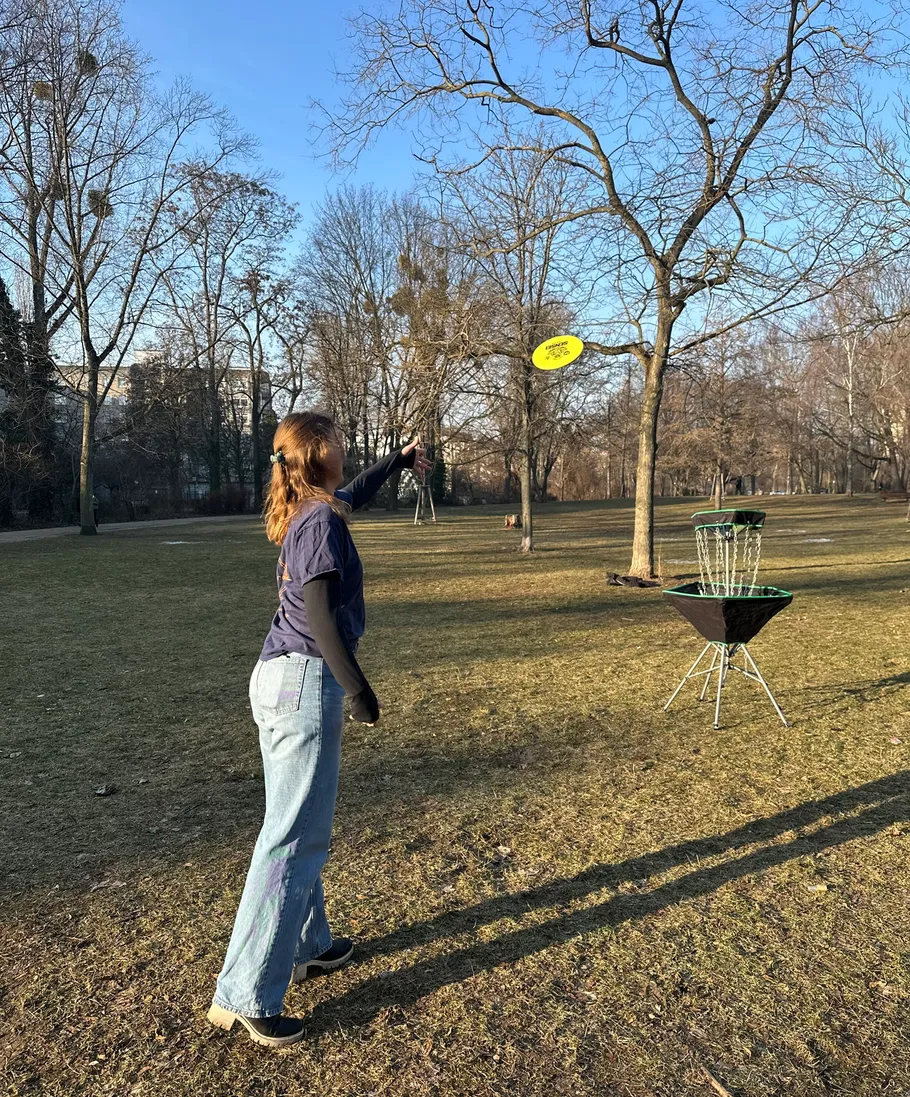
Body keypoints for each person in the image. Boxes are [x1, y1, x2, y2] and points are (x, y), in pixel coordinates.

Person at [207, 411, 430, 1048]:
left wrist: (397, 458)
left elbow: (353, 492)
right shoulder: (321, 521)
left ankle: (310, 944)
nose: (342, 443)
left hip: (281, 679)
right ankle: (247, 993)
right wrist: (359, 688)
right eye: (333, 437)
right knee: (291, 839)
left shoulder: (312, 509)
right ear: (315, 454)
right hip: (306, 680)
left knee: (301, 825)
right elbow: (319, 615)